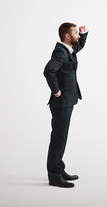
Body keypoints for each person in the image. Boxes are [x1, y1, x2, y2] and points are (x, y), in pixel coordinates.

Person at [43, 22, 88, 188]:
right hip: (61, 103)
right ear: (67, 36)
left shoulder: (69, 50)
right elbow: (49, 70)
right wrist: (56, 90)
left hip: (67, 101)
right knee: (58, 139)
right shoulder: (61, 52)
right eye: (75, 33)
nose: (78, 35)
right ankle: (54, 175)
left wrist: (83, 33)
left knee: (61, 138)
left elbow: (79, 45)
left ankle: (59, 169)